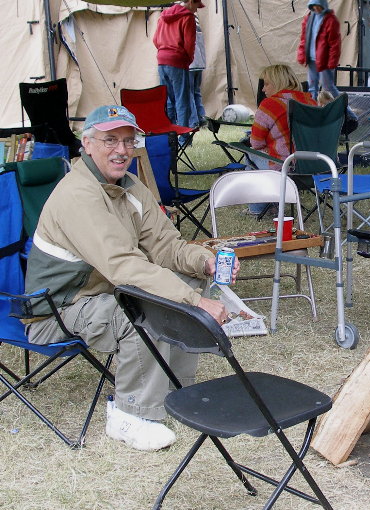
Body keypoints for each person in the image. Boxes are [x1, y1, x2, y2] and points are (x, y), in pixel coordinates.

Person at [24, 105, 240, 451]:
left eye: (128, 141)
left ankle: (175, 390)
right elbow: (123, 266)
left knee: (188, 281)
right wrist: (195, 302)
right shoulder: (78, 194)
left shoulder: (129, 184)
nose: (122, 150)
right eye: (110, 140)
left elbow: (166, 244)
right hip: (57, 310)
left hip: (104, 292)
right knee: (148, 308)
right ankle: (129, 415)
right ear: (87, 144)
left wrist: (205, 262)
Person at [247, 64, 316, 215]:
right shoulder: (311, 102)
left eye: (266, 84)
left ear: (278, 82)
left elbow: (255, 143)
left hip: (285, 167)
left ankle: (258, 209)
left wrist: (266, 147)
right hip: (315, 165)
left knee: (249, 155)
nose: (263, 89)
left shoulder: (270, 104)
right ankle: (269, 205)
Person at [153, 0, 204, 129]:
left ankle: (170, 132)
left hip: (162, 61)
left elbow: (155, 39)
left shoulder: (163, 15)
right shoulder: (188, 17)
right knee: (182, 100)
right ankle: (183, 134)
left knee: (168, 100)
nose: (196, 10)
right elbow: (189, 43)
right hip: (177, 61)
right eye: (197, 6)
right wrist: (188, 59)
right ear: (191, 2)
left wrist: (163, 51)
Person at [297, 0, 341, 101]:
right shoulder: (308, 18)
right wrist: (302, 55)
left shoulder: (331, 20)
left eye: (318, 6)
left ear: (323, 5)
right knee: (312, 88)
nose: (316, 8)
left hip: (324, 61)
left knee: (328, 87)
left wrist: (332, 62)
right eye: (314, 6)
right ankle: (313, 108)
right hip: (311, 59)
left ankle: (345, 109)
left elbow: (335, 44)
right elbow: (304, 38)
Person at [188, 15, 207, 128]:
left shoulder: (186, 26)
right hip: (199, 63)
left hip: (189, 64)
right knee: (196, 92)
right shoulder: (198, 26)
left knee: (189, 93)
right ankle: (201, 117)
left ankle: (193, 121)